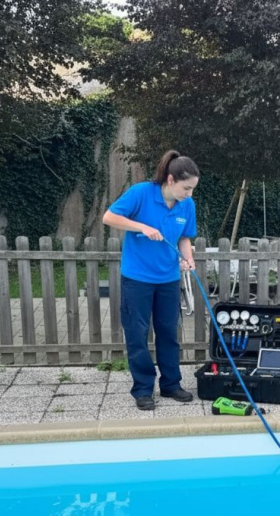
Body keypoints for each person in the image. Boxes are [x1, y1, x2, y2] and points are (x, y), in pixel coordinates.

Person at [102, 150, 199, 410]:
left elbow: (184, 237)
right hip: (137, 278)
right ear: (170, 179)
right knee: (137, 334)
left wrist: (187, 259)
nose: (189, 194)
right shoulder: (141, 193)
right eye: (186, 188)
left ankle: (171, 385)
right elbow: (109, 217)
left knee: (168, 333)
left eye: (192, 190)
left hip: (168, 278)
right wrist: (141, 226)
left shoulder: (187, 205)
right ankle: (143, 389)